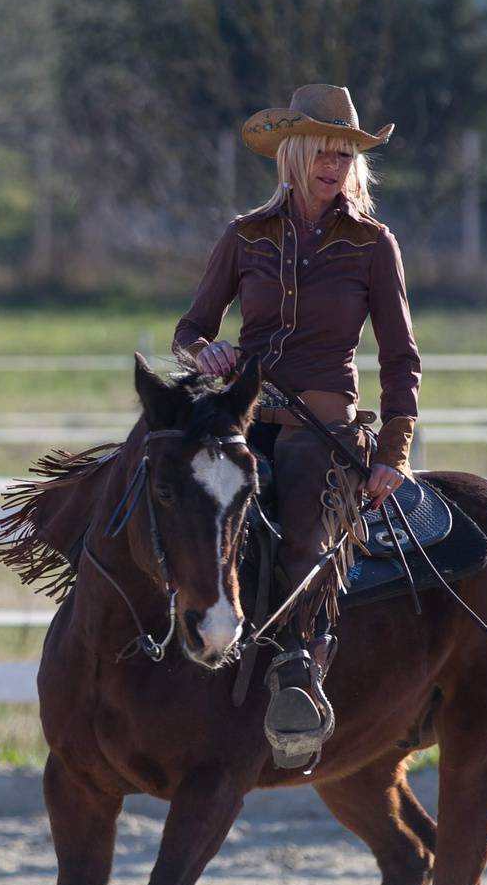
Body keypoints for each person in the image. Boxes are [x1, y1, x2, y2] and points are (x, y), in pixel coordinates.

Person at [172, 83, 421, 769]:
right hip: (243, 415)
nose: (334, 164)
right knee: (179, 496)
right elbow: (189, 329)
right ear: (294, 152)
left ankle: (298, 675)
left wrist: (392, 453)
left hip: (327, 431)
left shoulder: (373, 246)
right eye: (323, 151)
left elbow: (401, 359)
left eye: (346, 154)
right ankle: (165, 642)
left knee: (305, 525)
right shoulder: (244, 236)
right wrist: (207, 352)